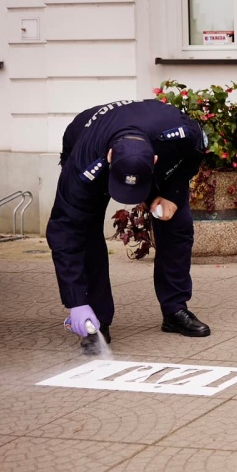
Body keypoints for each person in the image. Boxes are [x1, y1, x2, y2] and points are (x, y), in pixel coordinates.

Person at [48, 99, 212, 348]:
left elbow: (195, 152)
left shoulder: (179, 132)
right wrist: (76, 301)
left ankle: (175, 310)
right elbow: (65, 229)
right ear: (111, 157)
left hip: (148, 140)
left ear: (155, 161)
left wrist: (172, 195)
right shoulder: (84, 165)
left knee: (177, 225)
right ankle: (97, 320)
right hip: (86, 137)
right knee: (87, 234)